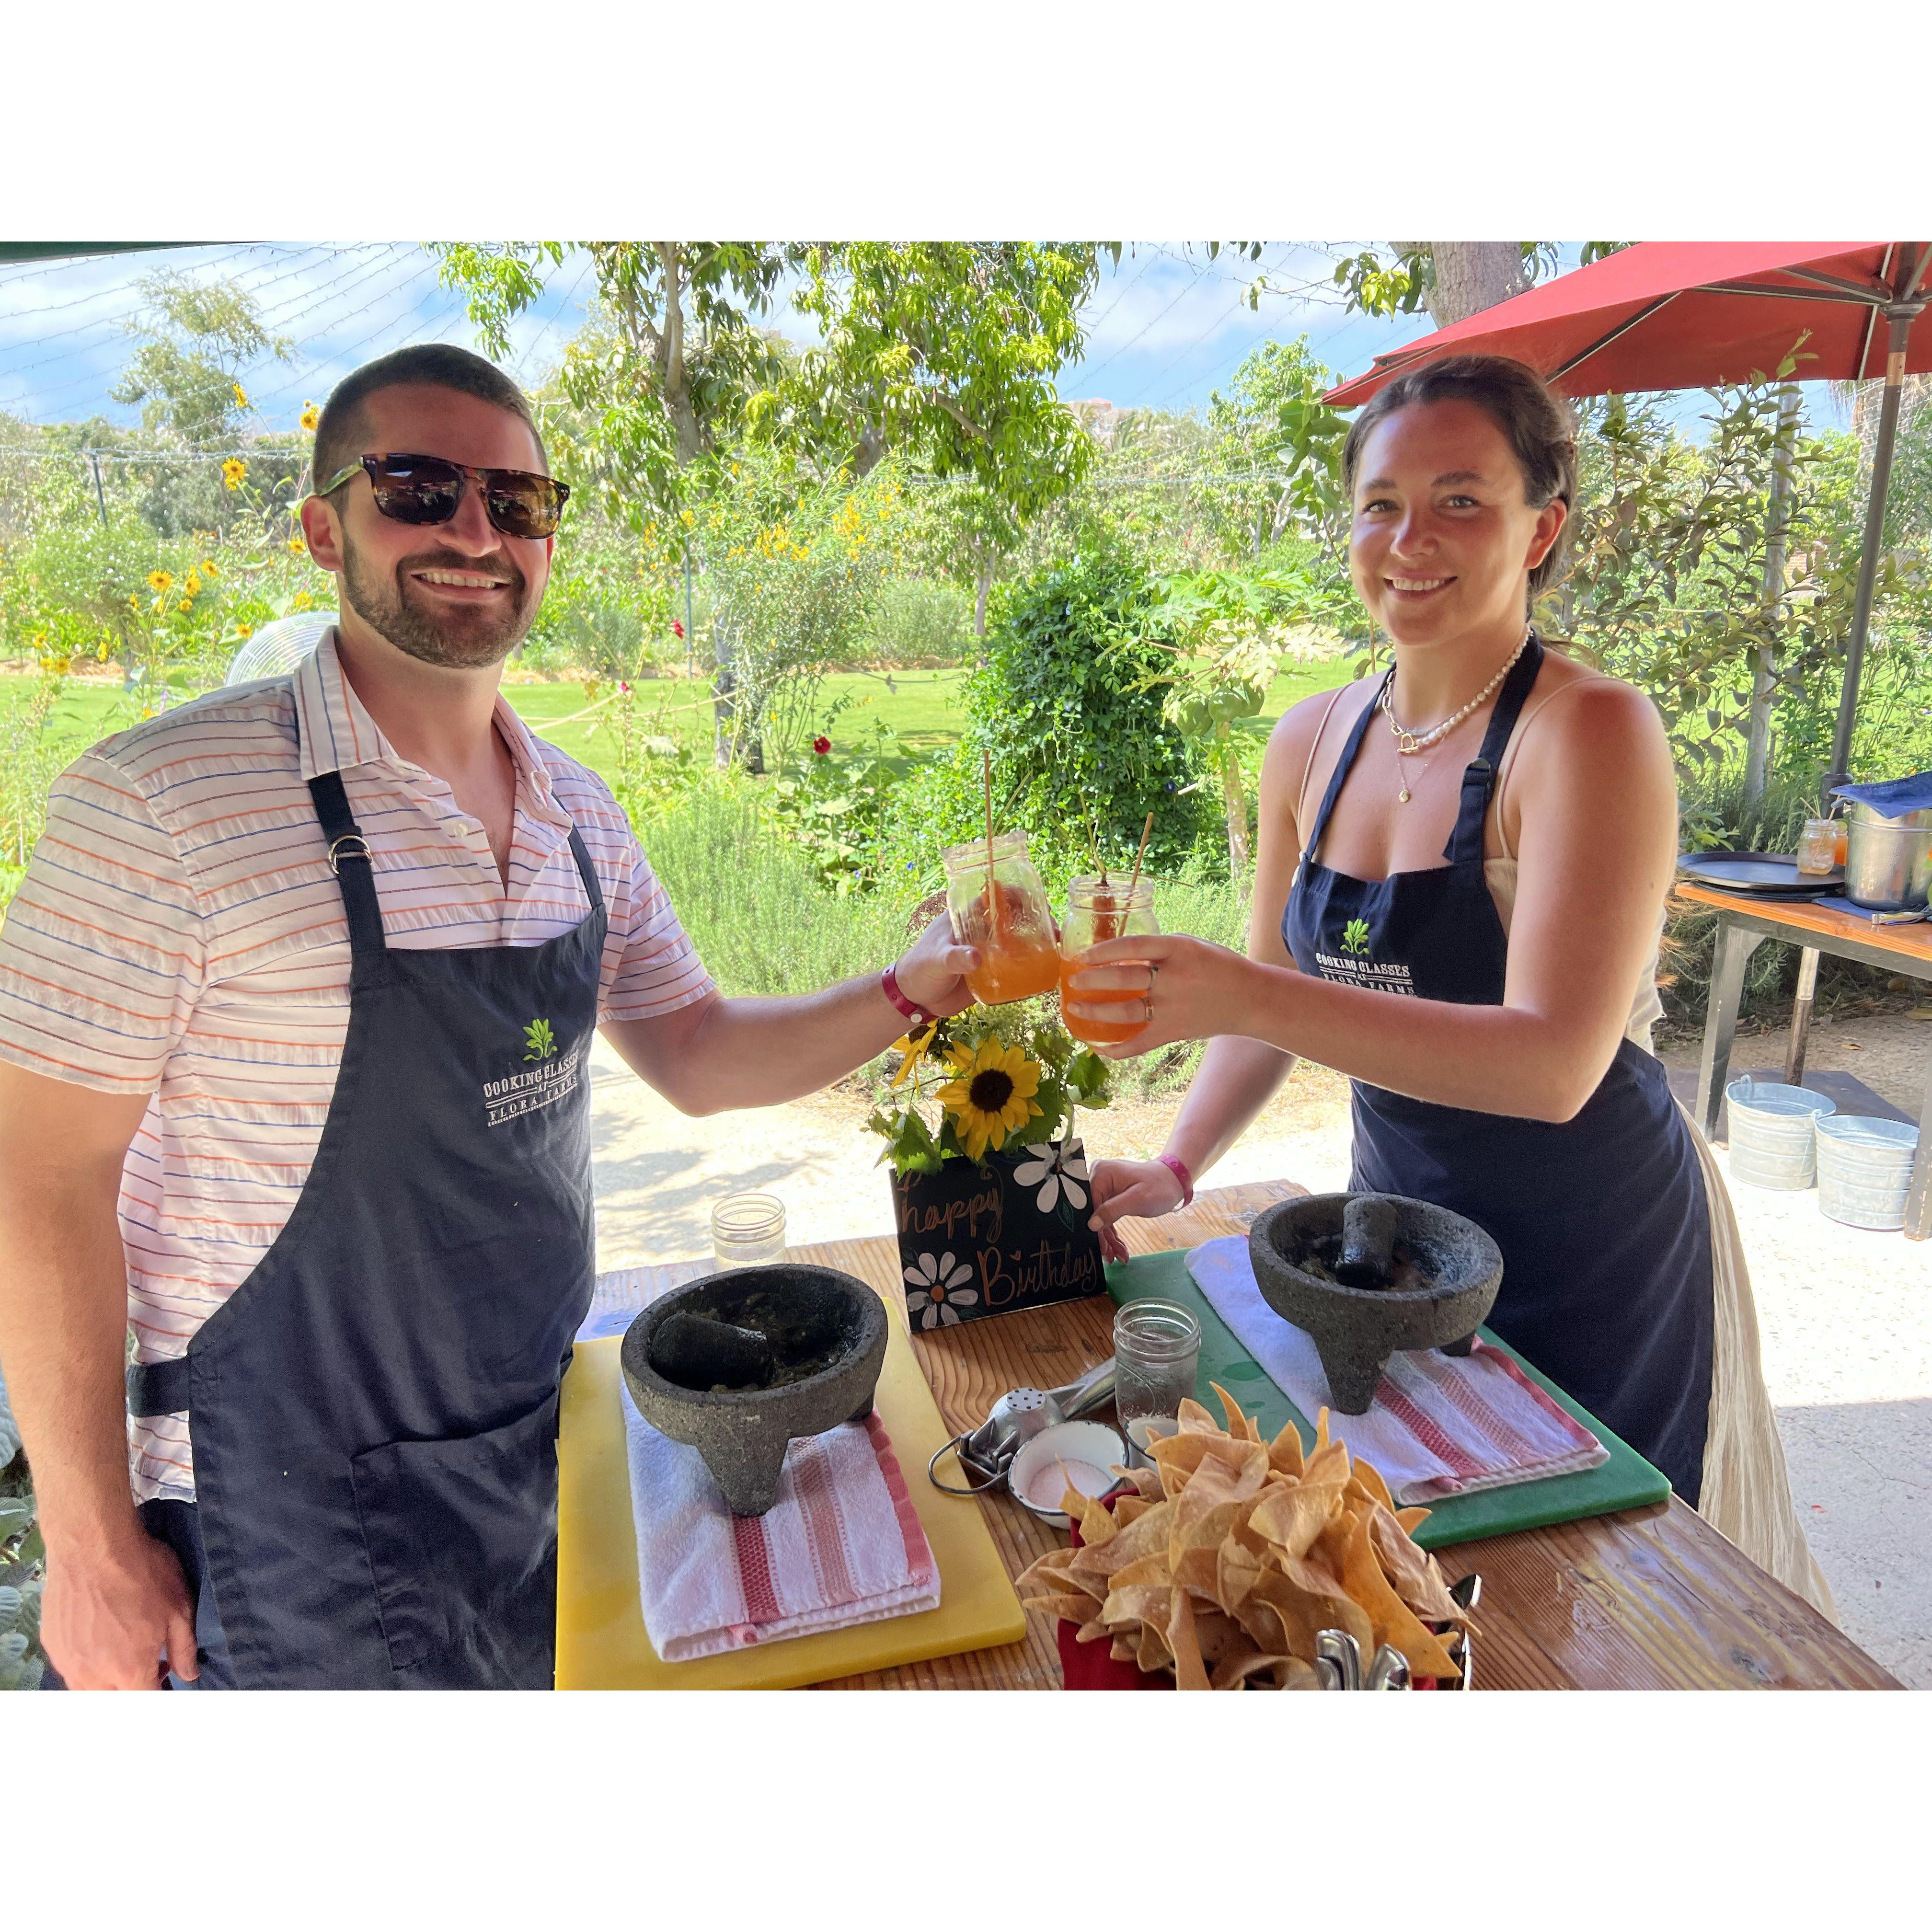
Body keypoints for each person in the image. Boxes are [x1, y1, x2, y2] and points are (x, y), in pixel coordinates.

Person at [0, 344, 979, 1690]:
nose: (476, 530)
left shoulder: (579, 814)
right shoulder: (163, 805)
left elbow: (696, 1054)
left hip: (540, 1449)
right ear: (321, 524)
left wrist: (908, 986)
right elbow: (38, 1180)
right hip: (276, 1516)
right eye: (420, 485)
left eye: (518, 502)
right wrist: (89, 1545)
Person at [1071, 355, 1830, 1613]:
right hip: (1396, 1244)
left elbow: (1551, 1062)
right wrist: (1181, 1163)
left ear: (1547, 526)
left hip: (1590, 1244)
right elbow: (1272, 981)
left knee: (1576, 1595)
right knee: (1416, 1585)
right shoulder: (1311, 738)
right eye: (1381, 504)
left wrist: (1252, 998)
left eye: (1462, 500)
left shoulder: (1586, 732)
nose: (1409, 540)